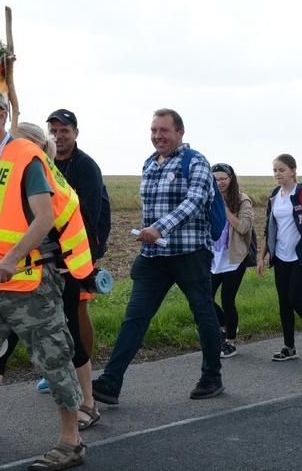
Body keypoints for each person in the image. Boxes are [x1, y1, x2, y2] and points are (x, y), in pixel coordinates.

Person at [0, 86, 92, 469]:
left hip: (28, 280)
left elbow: (44, 217)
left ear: (0, 115)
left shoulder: (26, 156)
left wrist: (11, 257)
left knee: (54, 359)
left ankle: (70, 441)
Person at [92, 108, 224, 405]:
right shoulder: (150, 165)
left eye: (164, 130)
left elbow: (194, 203)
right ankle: (111, 383)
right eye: (153, 130)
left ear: (180, 132)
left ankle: (212, 376)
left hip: (190, 254)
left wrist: (158, 228)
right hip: (153, 258)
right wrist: (148, 234)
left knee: (203, 315)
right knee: (135, 317)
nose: (157, 136)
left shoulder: (196, 162)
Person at [47, 109, 111, 370]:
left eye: (64, 130)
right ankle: (62, 366)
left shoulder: (85, 165)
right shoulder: (46, 163)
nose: (58, 136)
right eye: (53, 130)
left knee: (78, 307)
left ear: (76, 133)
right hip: (52, 248)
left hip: (80, 246)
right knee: (54, 310)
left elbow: (90, 213)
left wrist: (78, 253)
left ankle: (84, 366)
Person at [256, 154, 302, 361]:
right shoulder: (275, 196)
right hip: (281, 256)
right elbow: (269, 228)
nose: (278, 174)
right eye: (275, 170)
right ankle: (289, 347)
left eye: (282, 170)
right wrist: (262, 257)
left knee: (295, 298)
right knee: (284, 302)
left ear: (293, 170)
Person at [211, 162, 253, 358]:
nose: (219, 183)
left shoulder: (242, 200)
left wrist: (223, 208)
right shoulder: (208, 198)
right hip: (213, 257)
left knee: (228, 300)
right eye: (215, 179)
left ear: (231, 179)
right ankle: (226, 327)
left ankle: (230, 343)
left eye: (223, 179)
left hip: (234, 258)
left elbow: (244, 227)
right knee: (204, 298)